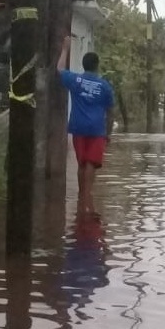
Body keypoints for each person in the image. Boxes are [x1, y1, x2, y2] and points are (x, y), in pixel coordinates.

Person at [57, 36, 115, 215]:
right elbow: (111, 112)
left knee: (82, 163)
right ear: (97, 66)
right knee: (91, 163)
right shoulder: (105, 86)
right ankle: (87, 197)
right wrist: (108, 132)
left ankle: (82, 197)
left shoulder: (75, 81)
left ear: (83, 65)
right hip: (96, 129)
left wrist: (65, 49)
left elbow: (59, 69)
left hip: (78, 127)